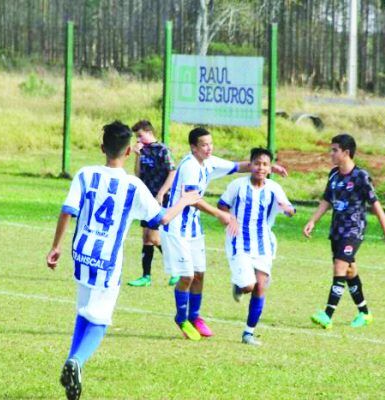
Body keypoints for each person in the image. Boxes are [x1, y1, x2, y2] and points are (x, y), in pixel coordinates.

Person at [46, 121, 200, 400]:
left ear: (102, 147)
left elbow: (67, 210)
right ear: (129, 151)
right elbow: (162, 219)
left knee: (84, 312)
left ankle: (71, 364)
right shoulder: (134, 186)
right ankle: (77, 361)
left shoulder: (85, 174)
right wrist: (186, 200)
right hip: (107, 261)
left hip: (80, 254)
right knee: (101, 320)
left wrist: (55, 247)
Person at [162, 127, 288, 341]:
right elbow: (192, 197)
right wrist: (219, 213)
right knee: (187, 276)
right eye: (204, 145)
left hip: (193, 226)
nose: (209, 148)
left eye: (210, 144)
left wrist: (271, 168)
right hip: (176, 227)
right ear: (193, 147)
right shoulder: (190, 166)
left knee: (200, 274)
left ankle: (194, 316)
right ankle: (181, 318)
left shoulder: (208, 161)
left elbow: (239, 166)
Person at [303, 133, 385, 330]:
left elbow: (376, 204)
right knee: (349, 271)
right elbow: (327, 200)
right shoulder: (334, 174)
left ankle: (327, 315)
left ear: (346, 153)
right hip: (336, 230)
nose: (331, 153)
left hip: (353, 230)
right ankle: (364, 313)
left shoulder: (360, 176)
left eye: (334, 150)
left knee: (339, 267)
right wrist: (313, 220)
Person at [217, 147, 295, 346]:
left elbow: (288, 208)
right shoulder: (238, 185)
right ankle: (240, 286)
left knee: (261, 286)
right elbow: (222, 204)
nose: (261, 167)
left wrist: (288, 210)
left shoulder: (273, 188)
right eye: (257, 163)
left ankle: (248, 333)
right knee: (249, 286)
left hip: (263, 244)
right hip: (239, 242)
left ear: (270, 168)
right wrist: (228, 219)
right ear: (250, 165)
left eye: (265, 164)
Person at [126, 120, 179, 287]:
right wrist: (138, 156)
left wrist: (161, 193)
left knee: (153, 237)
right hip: (146, 198)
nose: (138, 140)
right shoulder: (143, 151)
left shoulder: (163, 150)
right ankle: (146, 277)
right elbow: (138, 174)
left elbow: (172, 172)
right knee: (146, 238)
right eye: (136, 137)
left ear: (149, 132)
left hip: (161, 199)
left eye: (140, 135)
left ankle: (177, 269)